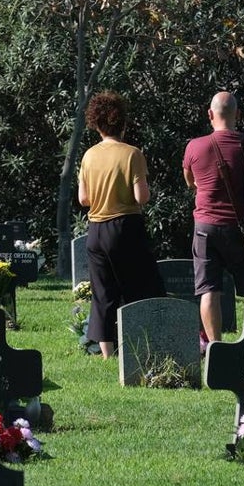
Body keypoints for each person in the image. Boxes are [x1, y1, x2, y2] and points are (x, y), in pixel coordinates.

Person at [78, 91, 166, 359]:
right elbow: (142, 197)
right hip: (126, 227)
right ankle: (145, 345)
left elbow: (84, 199)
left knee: (103, 292)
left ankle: (108, 355)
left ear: (96, 124)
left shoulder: (89, 155)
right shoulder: (132, 154)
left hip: (95, 230)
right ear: (123, 122)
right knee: (141, 287)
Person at [182, 91, 244, 345]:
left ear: (209, 114)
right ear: (238, 115)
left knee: (209, 290)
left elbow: (190, 182)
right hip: (242, 227)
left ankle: (215, 346)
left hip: (206, 227)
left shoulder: (195, 146)